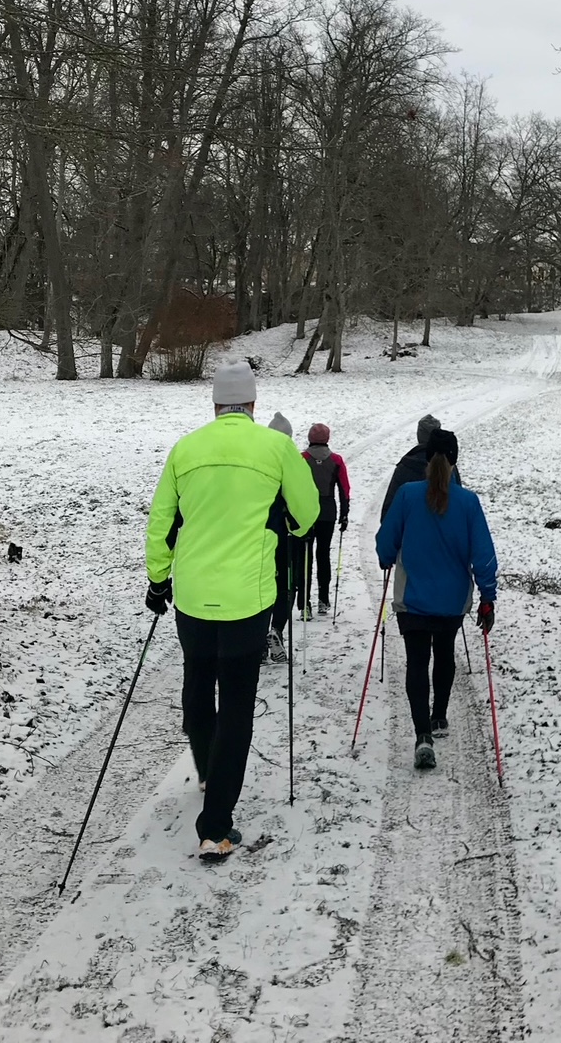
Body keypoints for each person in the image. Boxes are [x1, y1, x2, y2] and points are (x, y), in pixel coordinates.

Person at [145, 364, 318, 860]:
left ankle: (206, 766)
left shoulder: (187, 449)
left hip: (194, 597)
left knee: (198, 681)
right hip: (249, 599)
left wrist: (159, 581)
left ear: (216, 405)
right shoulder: (277, 447)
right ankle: (216, 826)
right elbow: (307, 517)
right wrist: (282, 520)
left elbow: (161, 522)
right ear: (253, 405)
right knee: (238, 703)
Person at [375, 428, 496, 771]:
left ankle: (423, 735)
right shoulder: (468, 502)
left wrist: (386, 557)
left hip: (412, 598)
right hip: (451, 600)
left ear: (426, 458)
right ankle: (440, 716)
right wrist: (487, 597)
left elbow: (386, 541)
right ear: (455, 460)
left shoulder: (408, 495)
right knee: (444, 653)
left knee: (417, 661)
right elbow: (484, 555)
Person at [298, 423, 350, 616]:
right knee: (323, 555)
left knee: (305, 557)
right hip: (327, 512)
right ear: (327, 438)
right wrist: (345, 514)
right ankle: (323, 599)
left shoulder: (302, 459)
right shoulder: (336, 460)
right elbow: (344, 489)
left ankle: (304, 604)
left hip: (306, 513)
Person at [379, 413, 462, 522]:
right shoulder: (449, 467)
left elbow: (388, 511)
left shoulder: (406, 465)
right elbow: (459, 504)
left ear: (419, 435)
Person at [264, 412, 298, 664]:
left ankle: (260, 641)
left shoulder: (256, 456)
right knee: (286, 586)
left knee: (262, 585)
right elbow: (300, 500)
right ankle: (277, 630)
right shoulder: (290, 460)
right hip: (284, 535)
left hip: (257, 534)